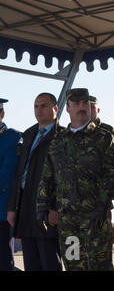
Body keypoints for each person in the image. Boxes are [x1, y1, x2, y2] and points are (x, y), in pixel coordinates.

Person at [36, 88, 114, 271]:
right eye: (76, 103)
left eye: (84, 103)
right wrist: (42, 207)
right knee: (73, 264)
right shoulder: (58, 141)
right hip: (68, 219)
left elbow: (111, 174)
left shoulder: (103, 138)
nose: (81, 107)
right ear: (68, 108)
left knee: (99, 265)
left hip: (95, 217)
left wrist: (102, 204)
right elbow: (47, 176)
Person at [6, 93, 64, 271]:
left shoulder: (63, 136)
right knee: (31, 261)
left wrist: (56, 206)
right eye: (36, 106)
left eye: (44, 106)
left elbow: (64, 177)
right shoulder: (29, 135)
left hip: (46, 208)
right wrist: (12, 207)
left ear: (55, 109)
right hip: (25, 205)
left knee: (49, 261)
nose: (39, 110)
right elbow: (19, 174)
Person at [0, 98, 21, 271]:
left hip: (2, 210)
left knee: (3, 261)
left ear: (2, 114)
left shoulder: (12, 138)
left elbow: (7, 173)